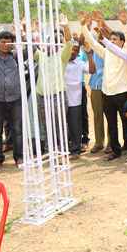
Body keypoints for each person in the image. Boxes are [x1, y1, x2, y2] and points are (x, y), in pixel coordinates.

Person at [80, 10, 127, 161]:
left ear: (121, 42)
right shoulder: (106, 53)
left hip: (123, 93)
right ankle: (115, 151)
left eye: (115, 40)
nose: (112, 41)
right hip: (107, 94)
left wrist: (125, 24)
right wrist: (83, 26)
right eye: (111, 39)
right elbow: (91, 42)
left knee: (126, 123)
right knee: (112, 125)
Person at [0, 29, 30, 172]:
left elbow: (33, 48)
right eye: (3, 42)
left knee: (17, 130)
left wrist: (24, 32)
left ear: (13, 44)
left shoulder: (16, 56)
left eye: (9, 42)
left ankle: (19, 157)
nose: (6, 45)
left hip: (15, 100)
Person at [35, 15, 73, 156]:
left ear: (58, 47)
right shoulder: (40, 56)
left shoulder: (62, 56)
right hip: (42, 98)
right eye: (48, 44)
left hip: (58, 97)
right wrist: (28, 31)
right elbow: (30, 47)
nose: (49, 47)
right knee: (47, 126)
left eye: (53, 45)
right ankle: (49, 152)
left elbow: (69, 42)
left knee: (61, 125)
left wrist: (66, 27)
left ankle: (63, 151)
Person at [64, 39, 96, 160]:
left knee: (75, 125)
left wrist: (88, 54)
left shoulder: (80, 64)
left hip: (74, 99)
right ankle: (64, 148)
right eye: (71, 49)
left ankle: (75, 149)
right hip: (60, 99)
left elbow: (92, 70)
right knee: (61, 125)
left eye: (76, 50)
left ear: (78, 53)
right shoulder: (60, 62)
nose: (73, 52)